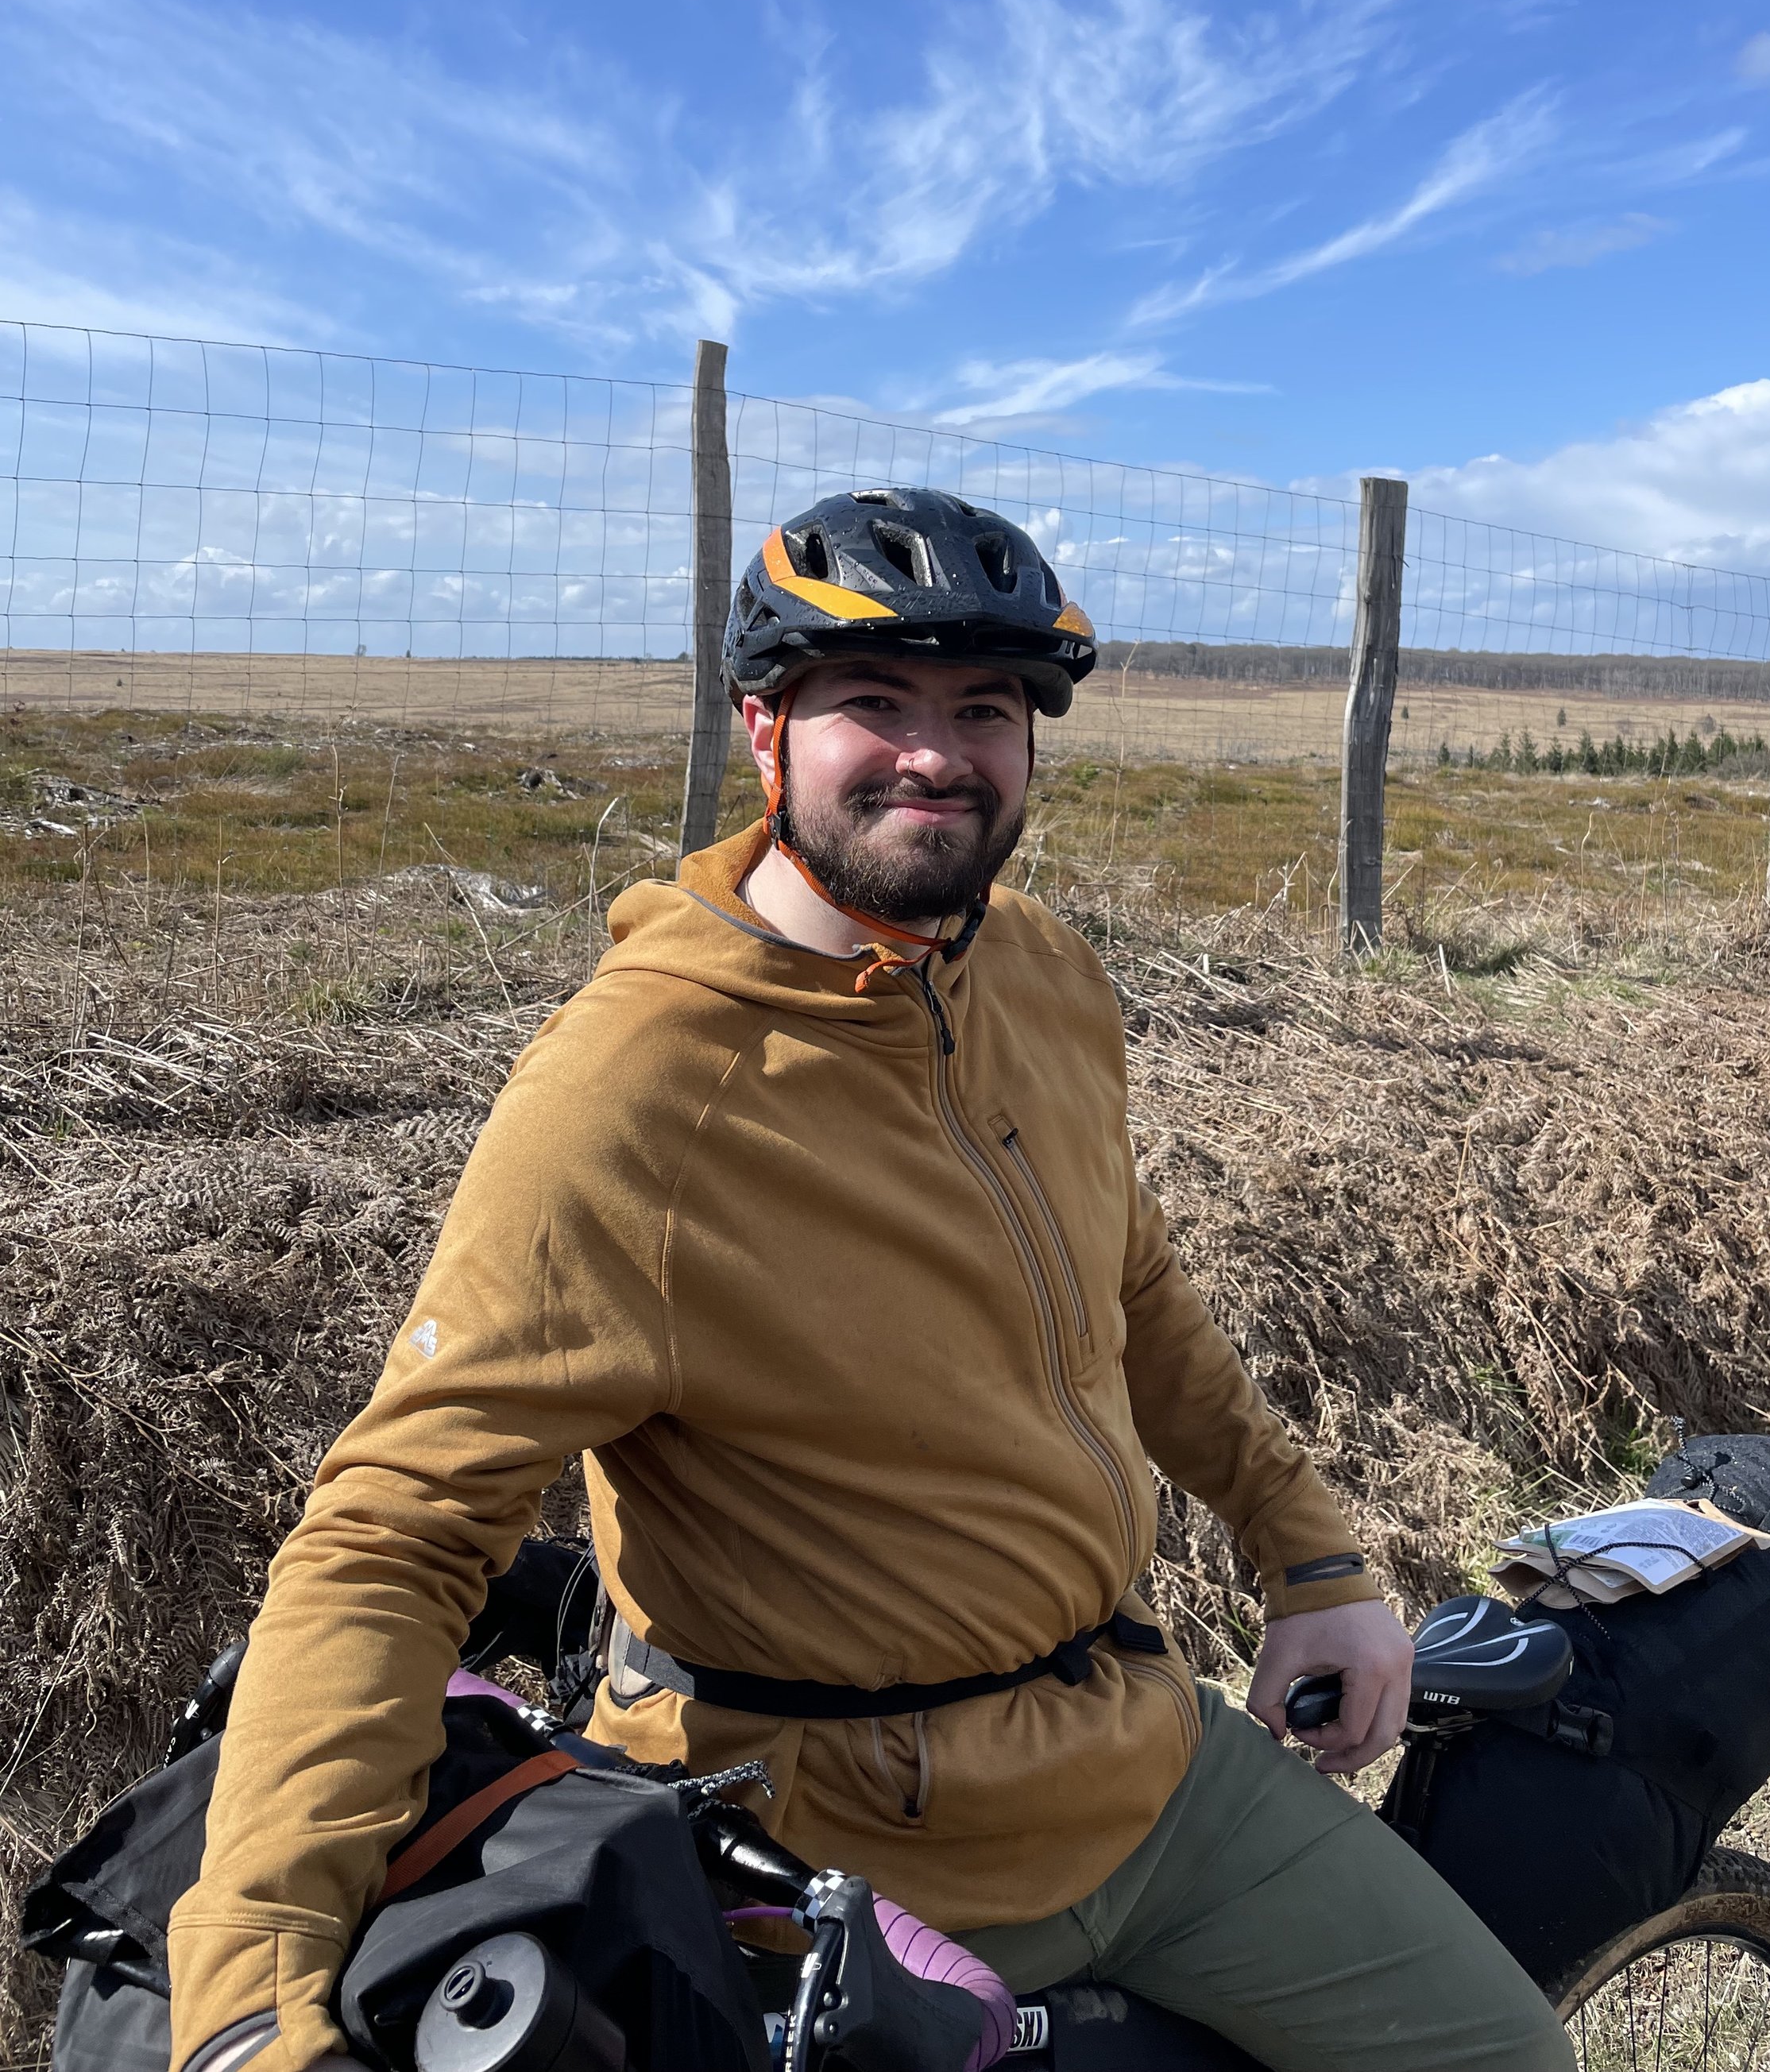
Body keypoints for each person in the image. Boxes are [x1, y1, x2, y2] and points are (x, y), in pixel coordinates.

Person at [168, 488, 1571, 2072]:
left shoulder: (1033, 966)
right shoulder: (638, 1089)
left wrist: (1306, 1555)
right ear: (765, 731)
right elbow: (392, 1531)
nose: (935, 750)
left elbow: (1134, 1286)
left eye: (982, 707)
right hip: (831, 1850)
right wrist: (245, 2001)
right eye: (872, 702)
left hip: (1140, 1765)